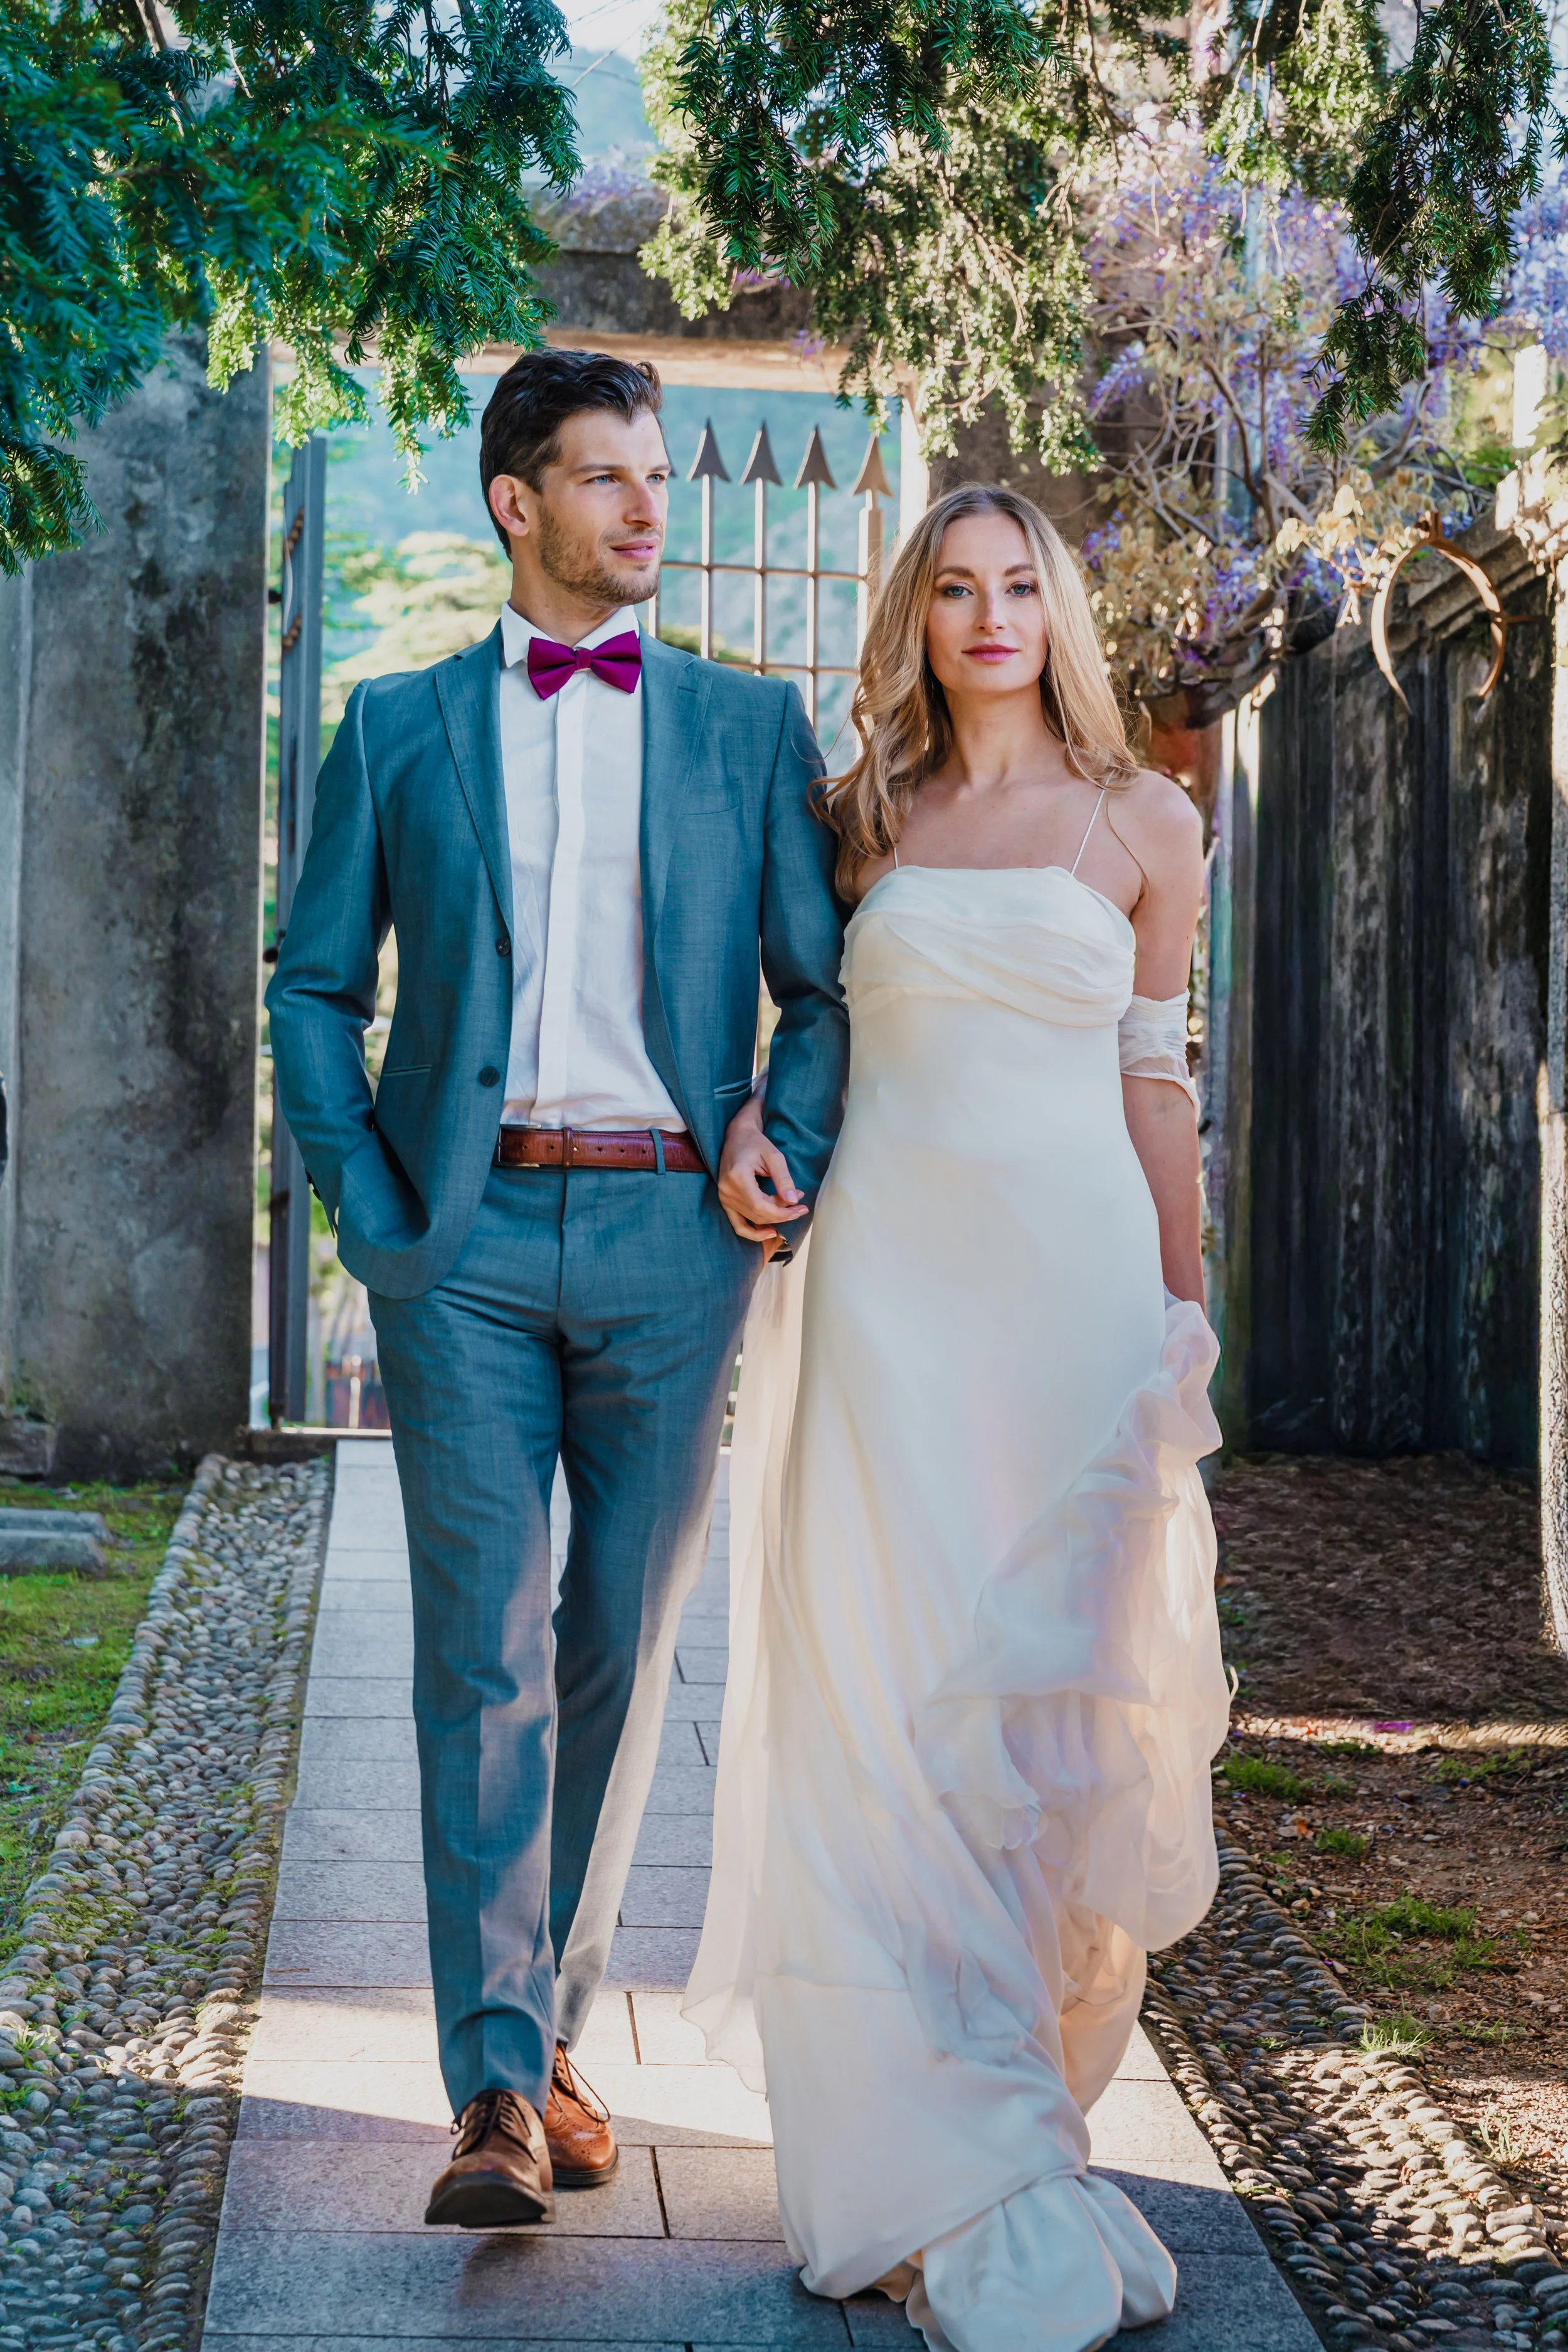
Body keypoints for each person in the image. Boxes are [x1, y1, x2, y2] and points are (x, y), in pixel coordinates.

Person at [265, 349, 849, 2228]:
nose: (645, 510)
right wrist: (369, 1201)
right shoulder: (397, 724)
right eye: (604, 479)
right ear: (516, 504)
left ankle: (554, 2017)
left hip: (679, 1243)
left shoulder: (748, 731)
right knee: (480, 1657)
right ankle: (497, 2088)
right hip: (469, 1249)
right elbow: (312, 986)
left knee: (614, 1644)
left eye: (655, 477)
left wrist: (784, 1133)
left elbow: (818, 990)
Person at [694, 483, 1231, 2351]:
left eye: (1019, 586)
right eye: (954, 589)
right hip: (889, 1314)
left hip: (1073, 1315)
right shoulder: (860, 827)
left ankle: (1017, 2132)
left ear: (1056, 611)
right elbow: (792, 1039)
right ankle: (924, 2164)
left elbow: (1152, 1082)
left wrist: (1184, 1309)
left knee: (1043, 1732)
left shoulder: (1146, 820)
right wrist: (757, 1129)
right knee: (884, 1724)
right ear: (914, 618)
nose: (989, 614)